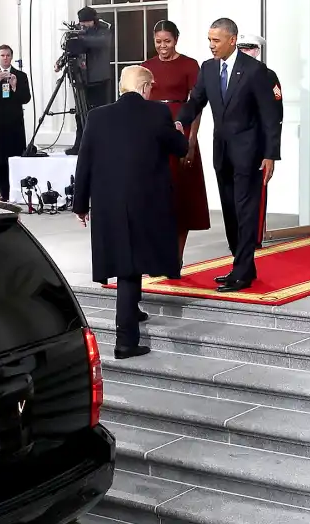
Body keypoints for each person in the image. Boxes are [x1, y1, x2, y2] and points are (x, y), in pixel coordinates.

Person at [73, 65, 188, 360]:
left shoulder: (97, 116)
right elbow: (180, 148)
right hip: (145, 203)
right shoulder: (157, 114)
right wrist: (178, 130)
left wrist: (79, 205)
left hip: (108, 203)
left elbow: (84, 161)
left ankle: (132, 311)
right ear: (147, 87)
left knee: (127, 260)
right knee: (129, 267)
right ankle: (125, 342)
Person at [176, 18, 283, 293]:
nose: (211, 45)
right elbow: (195, 103)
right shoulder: (208, 69)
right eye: (209, 40)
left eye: (216, 40)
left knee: (246, 212)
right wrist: (176, 123)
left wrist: (271, 154)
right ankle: (242, 264)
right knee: (231, 212)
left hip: (250, 155)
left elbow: (269, 116)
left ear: (232, 40)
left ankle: (242, 272)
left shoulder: (255, 71)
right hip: (222, 154)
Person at [141, 19, 211, 263]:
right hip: (153, 133)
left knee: (182, 196)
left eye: (167, 41)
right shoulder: (146, 66)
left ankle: (176, 256)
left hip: (181, 130)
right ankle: (156, 253)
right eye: (158, 42)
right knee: (154, 195)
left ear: (176, 40)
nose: (162, 46)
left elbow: (198, 106)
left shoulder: (190, 65)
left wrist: (191, 141)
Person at [236, 32, 284, 248]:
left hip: (257, 143)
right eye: (242, 48)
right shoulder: (229, 73)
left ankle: (253, 237)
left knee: (256, 193)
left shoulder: (267, 75)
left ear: (258, 51)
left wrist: (270, 151)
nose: (246, 52)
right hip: (234, 142)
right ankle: (236, 237)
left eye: (250, 48)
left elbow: (275, 114)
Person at [0, 44, 31, 201]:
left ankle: (17, 193)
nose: (5, 58)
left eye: (8, 55)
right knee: (0, 160)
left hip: (14, 123)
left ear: (11, 57)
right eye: (2, 55)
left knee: (15, 158)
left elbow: (26, 98)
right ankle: (3, 193)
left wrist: (15, 87)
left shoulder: (20, 76)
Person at [64, 6, 113, 155]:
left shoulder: (104, 29)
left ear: (94, 20)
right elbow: (72, 49)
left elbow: (100, 42)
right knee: (80, 113)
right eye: (82, 22)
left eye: (87, 22)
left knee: (100, 114)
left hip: (99, 80)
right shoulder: (79, 32)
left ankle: (101, 147)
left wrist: (80, 37)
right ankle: (79, 145)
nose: (84, 25)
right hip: (82, 78)